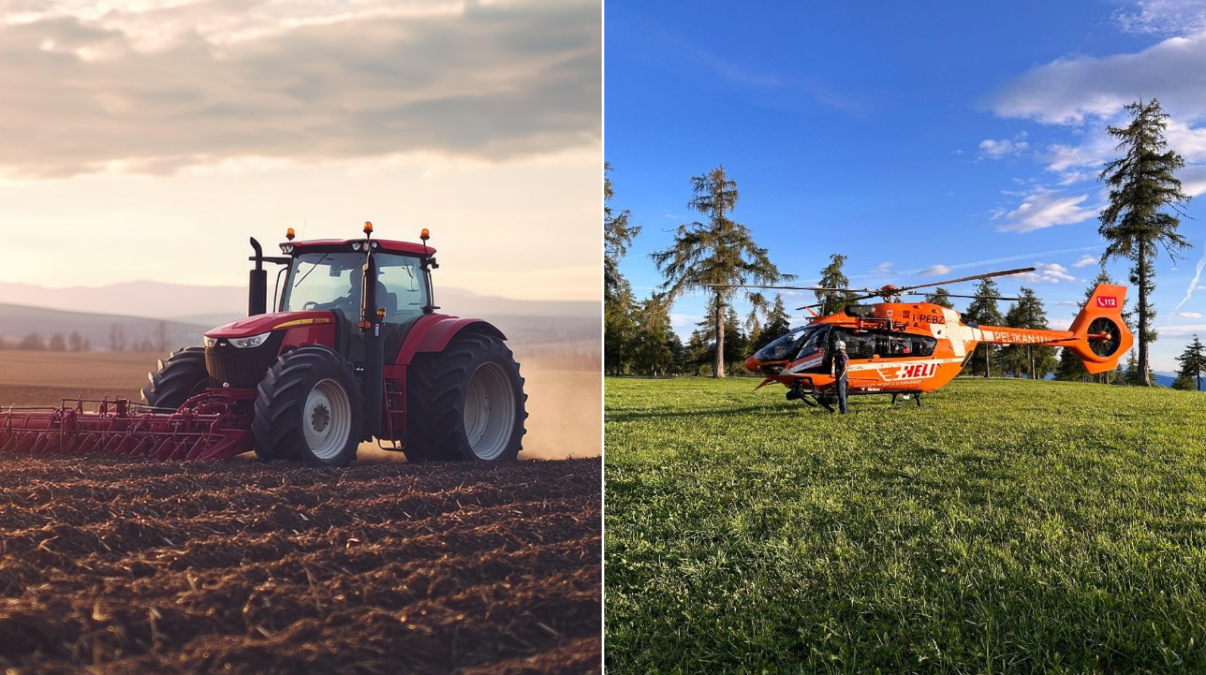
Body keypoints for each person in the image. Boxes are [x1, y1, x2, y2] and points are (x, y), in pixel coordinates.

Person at [832, 339, 850, 414]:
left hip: (842, 378)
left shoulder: (842, 356)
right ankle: (845, 409)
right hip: (844, 378)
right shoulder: (844, 355)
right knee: (844, 395)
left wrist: (840, 377)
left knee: (841, 395)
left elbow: (844, 367)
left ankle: (843, 411)